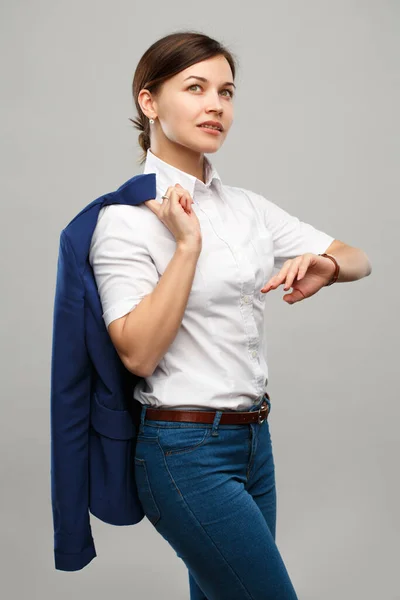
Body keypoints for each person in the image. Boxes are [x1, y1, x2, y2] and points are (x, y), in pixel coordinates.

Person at [89, 30, 371, 600]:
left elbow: (359, 258)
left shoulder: (247, 208)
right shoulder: (124, 220)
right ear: (149, 101)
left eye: (226, 91)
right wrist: (186, 248)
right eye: (195, 87)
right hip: (182, 451)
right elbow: (138, 352)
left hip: (252, 444)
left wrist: (326, 264)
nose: (216, 105)